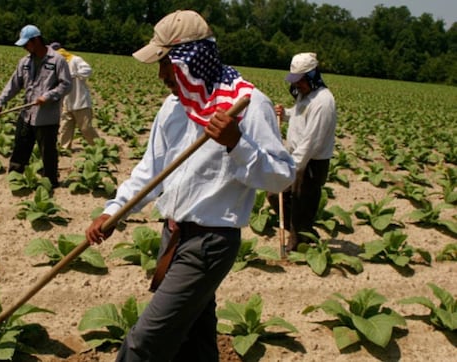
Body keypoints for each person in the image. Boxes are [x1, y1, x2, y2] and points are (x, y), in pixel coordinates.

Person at [85, 10, 295, 362]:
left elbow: (281, 177)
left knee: (145, 342)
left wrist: (236, 142)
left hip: (210, 244)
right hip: (173, 236)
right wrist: (113, 211)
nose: (161, 74)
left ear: (189, 61)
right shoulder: (173, 107)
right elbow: (150, 172)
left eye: (165, 63)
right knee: (194, 340)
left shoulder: (246, 104)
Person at [268, 52, 337, 251]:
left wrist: (291, 167)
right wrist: (286, 113)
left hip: (310, 163)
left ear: (313, 76)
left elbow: (310, 142)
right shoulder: (304, 95)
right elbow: (300, 117)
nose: (297, 85)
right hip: (295, 157)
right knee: (274, 195)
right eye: (295, 81)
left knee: (301, 203)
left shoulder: (323, 102)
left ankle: (298, 243)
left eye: (300, 81)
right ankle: (301, 230)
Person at [0, 25, 71, 187]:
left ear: (36, 40)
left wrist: (48, 96)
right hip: (27, 113)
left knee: (47, 152)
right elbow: (13, 85)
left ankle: (50, 182)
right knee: (20, 146)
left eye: (27, 44)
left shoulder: (57, 60)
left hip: (47, 117)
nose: (25, 48)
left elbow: (66, 85)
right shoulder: (24, 62)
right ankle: (14, 177)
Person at [50, 42, 100, 150]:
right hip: (66, 102)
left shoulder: (75, 60)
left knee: (86, 128)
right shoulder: (56, 64)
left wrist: (74, 74)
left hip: (80, 101)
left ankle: (99, 147)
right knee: (65, 127)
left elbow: (87, 70)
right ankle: (64, 149)